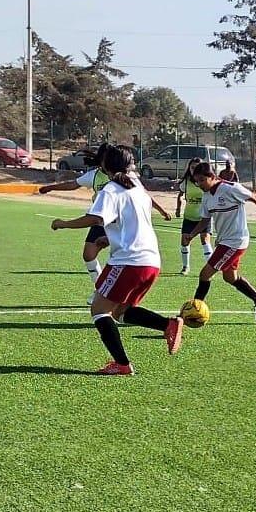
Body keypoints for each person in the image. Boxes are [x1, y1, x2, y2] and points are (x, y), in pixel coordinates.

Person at [50, 145, 183, 375]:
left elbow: (94, 218)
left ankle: (122, 364)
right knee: (121, 311)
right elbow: (132, 224)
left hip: (128, 262)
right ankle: (167, 325)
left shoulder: (111, 189)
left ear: (104, 166)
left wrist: (63, 223)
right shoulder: (137, 187)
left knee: (99, 310)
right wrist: (107, 238)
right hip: (150, 261)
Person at [40, 144, 171, 303]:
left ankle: (103, 294)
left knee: (103, 310)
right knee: (88, 255)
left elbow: (144, 196)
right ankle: (101, 290)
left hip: (117, 222)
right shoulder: (94, 176)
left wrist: (161, 210)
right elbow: (73, 184)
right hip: (103, 221)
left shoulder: (125, 180)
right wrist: (51, 187)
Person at [186, 162, 256, 322]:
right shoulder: (207, 197)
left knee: (205, 274)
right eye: (197, 181)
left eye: (202, 180)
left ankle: (193, 312)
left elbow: (253, 197)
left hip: (236, 241)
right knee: (230, 277)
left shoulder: (230, 188)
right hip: (223, 241)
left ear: (212, 177)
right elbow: (204, 221)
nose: (199, 184)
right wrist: (191, 235)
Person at [176, 157, 214, 275]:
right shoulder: (186, 182)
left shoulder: (206, 181)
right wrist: (178, 208)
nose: (193, 169)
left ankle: (212, 267)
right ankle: (185, 267)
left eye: (196, 167)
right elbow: (180, 195)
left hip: (204, 217)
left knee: (205, 240)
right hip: (189, 216)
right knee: (185, 241)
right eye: (192, 167)